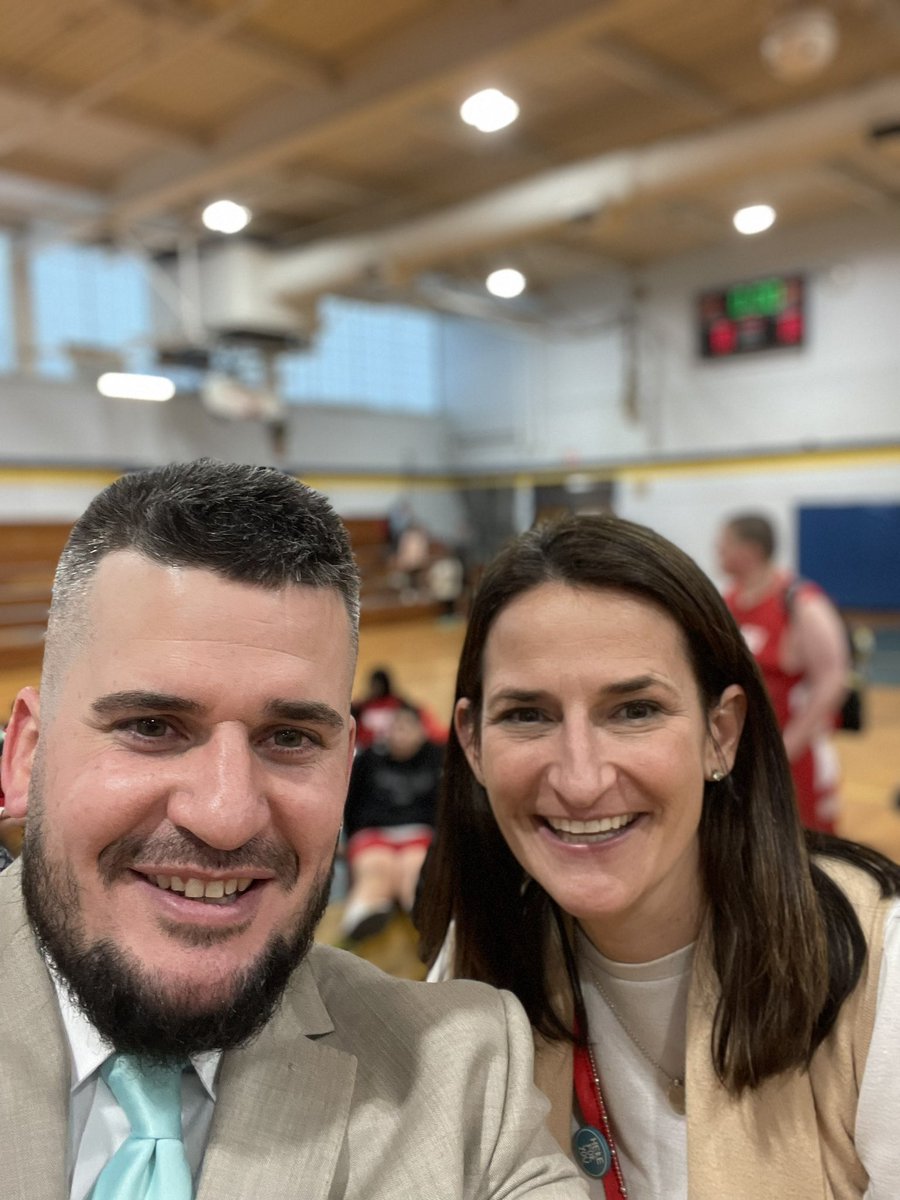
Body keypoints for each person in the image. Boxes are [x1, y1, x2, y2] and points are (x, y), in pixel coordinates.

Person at [0, 459, 587, 1200]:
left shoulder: (464, 1079)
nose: (225, 815)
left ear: (345, 767)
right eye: (151, 726)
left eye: (290, 739)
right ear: (24, 757)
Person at [417, 513, 900, 1199]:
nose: (581, 780)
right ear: (472, 744)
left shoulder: (882, 968)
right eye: (528, 715)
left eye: (635, 710)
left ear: (720, 733)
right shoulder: (475, 957)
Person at [718, 512, 850, 833]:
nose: (718, 549)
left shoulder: (801, 604)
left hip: (796, 753)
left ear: (750, 551)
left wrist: (789, 745)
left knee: (806, 841)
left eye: (725, 543)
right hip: (746, 752)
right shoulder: (728, 601)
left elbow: (834, 679)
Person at [341, 702, 442, 941]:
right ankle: (364, 910)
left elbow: (443, 805)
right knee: (376, 869)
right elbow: (350, 802)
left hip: (418, 832)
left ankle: (424, 914)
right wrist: (346, 839)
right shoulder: (368, 759)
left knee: (414, 869)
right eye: (396, 728)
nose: (400, 735)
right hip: (373, 833)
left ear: (421, 732)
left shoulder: (437, 756)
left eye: (407, 728)